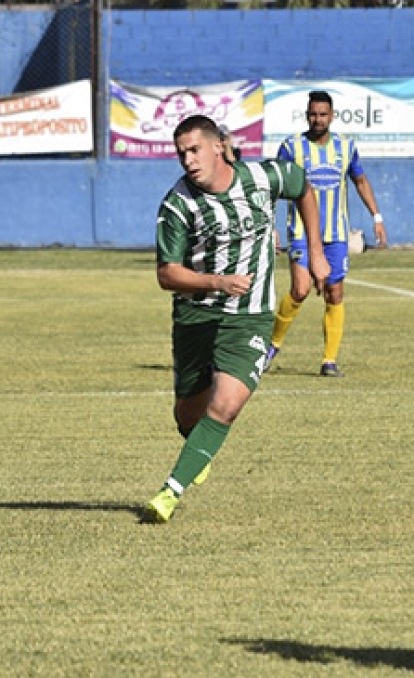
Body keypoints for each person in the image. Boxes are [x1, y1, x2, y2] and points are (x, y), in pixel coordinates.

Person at [144, 115, 328, 523]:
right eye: (181, 154)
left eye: (194, 150)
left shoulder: (263, 177)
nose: (187, 161)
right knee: (188, 416)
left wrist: (312, 251)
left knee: (226, 405)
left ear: (217, 147)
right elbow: (166, 274)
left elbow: (303, 188)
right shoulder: (178, 204)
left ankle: (168, 493)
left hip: (250, 317)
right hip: (195, 314)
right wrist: (216, 281)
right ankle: (197, 447)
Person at [267, 90, 387, 378]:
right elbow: (272, 186)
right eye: (313, 114)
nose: (317, 119)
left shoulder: (346, 147)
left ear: (332, 116)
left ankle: (329, 361)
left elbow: (359, 179)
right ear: (306, 115)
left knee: (335, 293)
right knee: (300, 289)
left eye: (322, 114)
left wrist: (377, 217)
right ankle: (271, 346)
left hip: (336, 235)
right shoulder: (291, 147)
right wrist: (270, 227)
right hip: (300, 233)